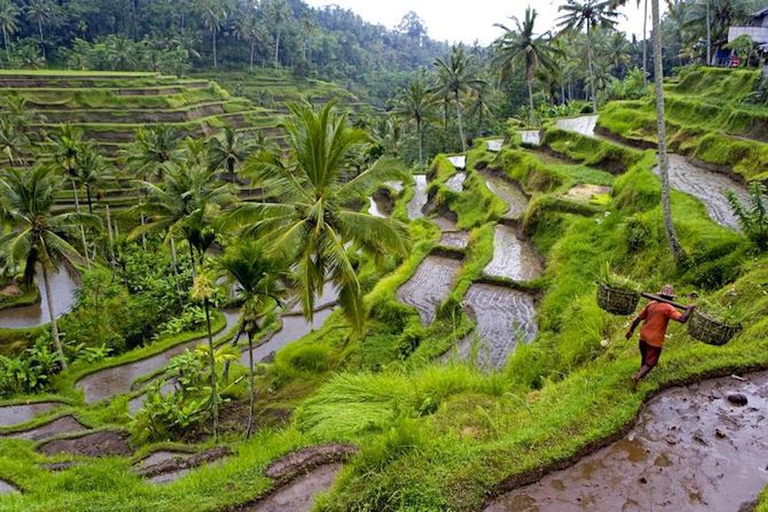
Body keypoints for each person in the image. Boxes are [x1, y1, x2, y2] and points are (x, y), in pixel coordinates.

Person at [625, 285, 695, 387]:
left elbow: (638, 319)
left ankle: (641, 375)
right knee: (651, 362)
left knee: (645, 357)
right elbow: (682, 319)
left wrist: (630, 331)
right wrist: (690, 309)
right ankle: (636, 378)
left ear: (660, 295)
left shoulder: (651, 304)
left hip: (643, 335)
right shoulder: (668, 308)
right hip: (655, 339)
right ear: (671, 298)